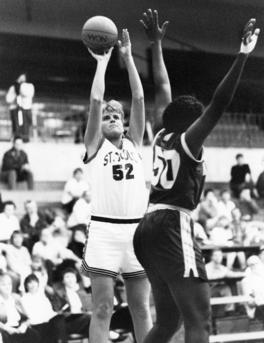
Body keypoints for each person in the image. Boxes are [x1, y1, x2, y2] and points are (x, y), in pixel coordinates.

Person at [133, 17, 259, 343]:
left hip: (147, 228)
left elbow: (162, 88)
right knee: (200, 320)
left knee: (167, 322)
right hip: (173, 224)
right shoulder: (189, 141)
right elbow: (219, 104)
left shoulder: (162, 135)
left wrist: (156, 44)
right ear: (192, 124)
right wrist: (243, 54)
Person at [81, 27, 152, 343]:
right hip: (105, 232)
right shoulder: (94, 144)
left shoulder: (136, 142)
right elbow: (96, 99)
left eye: (116, 114)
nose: (110, 116)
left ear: (124, 123)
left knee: (141, 307)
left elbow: (138, 97)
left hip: (137, 232)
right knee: (103, 309)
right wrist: (102, 61)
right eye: (107, 114)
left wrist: (128, 57)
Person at [0, 273, 41, 343]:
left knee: (34, 334)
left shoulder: (16, 298)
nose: (7, 287)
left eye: (9, 284)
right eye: (3, 285)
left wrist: (24, 325)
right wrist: (7, 328)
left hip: (19, 328)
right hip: (6, 330)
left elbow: (28, 318)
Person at [6, 73, 35, 142]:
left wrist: (20, 87)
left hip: (26, 108)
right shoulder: (13, 88)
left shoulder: (29, 86)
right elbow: (8, 99)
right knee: (16, 125)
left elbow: (26, 93)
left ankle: (25, 138)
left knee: (26, 125)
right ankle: (17, 138)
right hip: (16, 109)